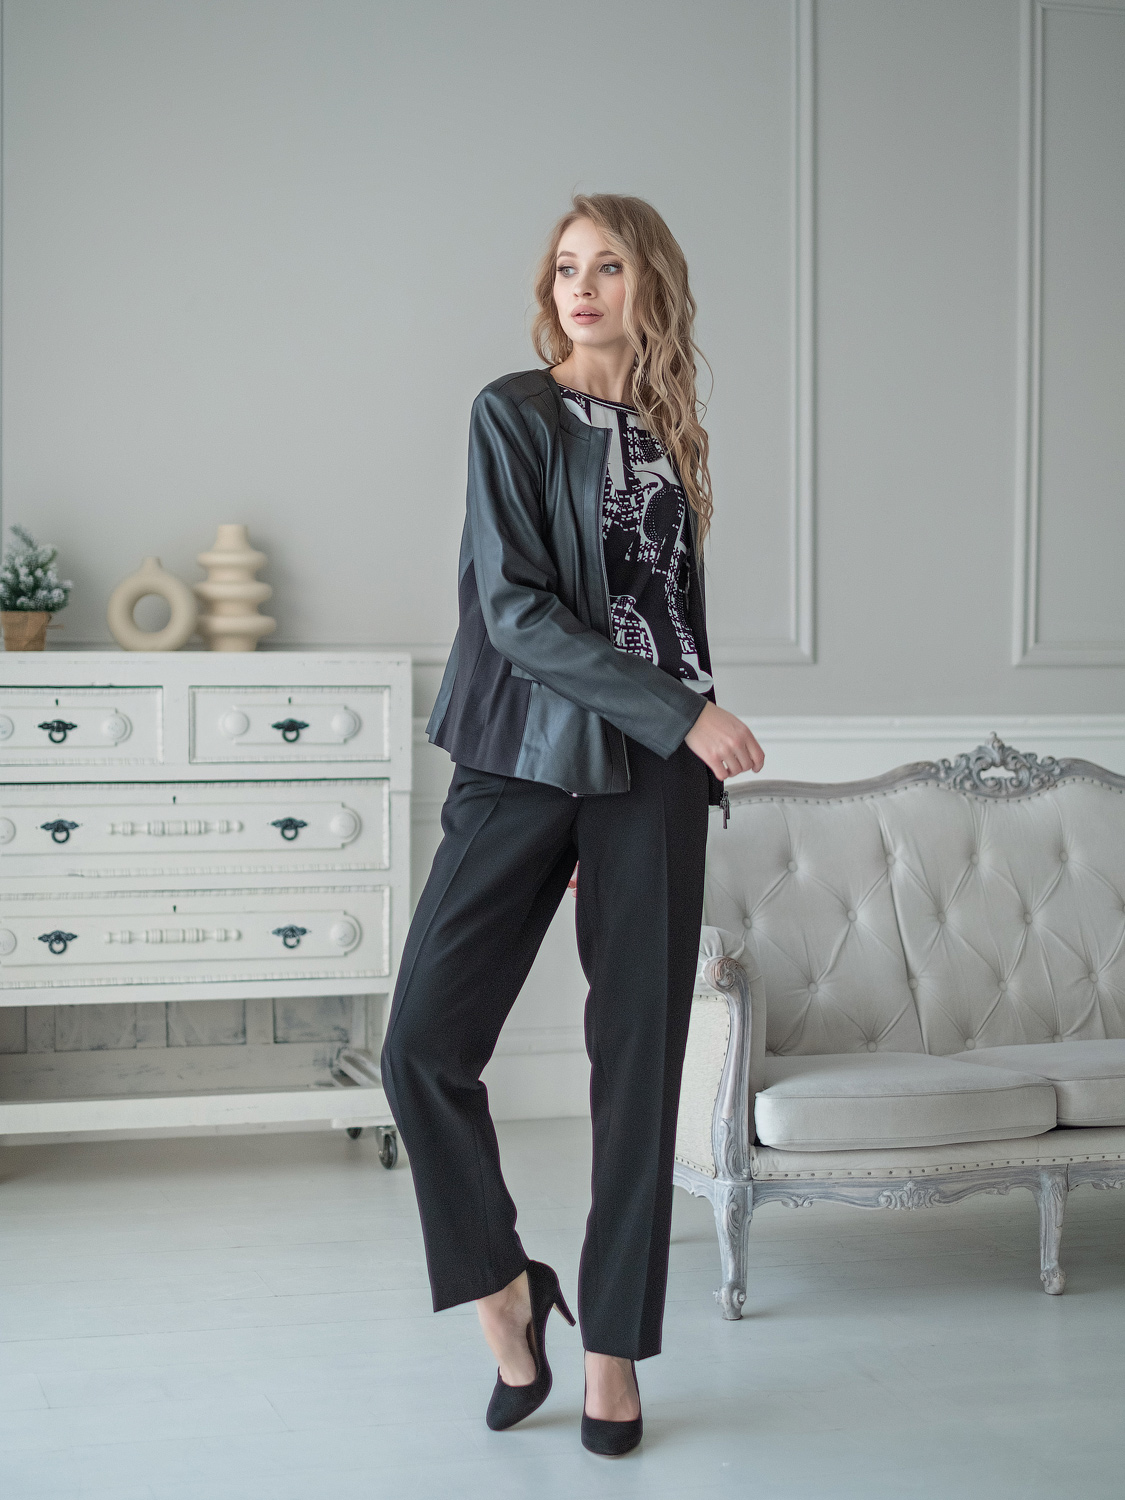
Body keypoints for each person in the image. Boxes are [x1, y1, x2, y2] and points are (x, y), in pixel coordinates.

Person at [380, 193, 764, 1457]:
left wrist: (677, 732)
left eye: (606, 266)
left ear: (651, 285)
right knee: (421, 1044)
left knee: (639, 1065)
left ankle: (613, 1353)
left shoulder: (669, 431)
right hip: (522, 756)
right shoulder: (514, 414)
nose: (581, 287)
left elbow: (665, 613)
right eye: (564, 268)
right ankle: (504, 1287)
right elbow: (517, 610)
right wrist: (685, 714)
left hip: (651, 778)